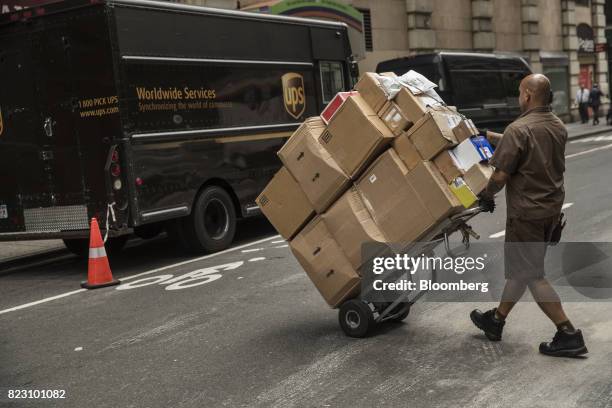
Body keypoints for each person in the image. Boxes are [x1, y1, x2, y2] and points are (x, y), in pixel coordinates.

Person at [473, 74, 588, 357]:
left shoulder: (519, 129)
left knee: (533, 274)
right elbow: (529, 145)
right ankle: (496, 320)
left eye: (518, 93)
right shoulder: (558, 126)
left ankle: (568, 333)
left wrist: (486, 196)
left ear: (527, 94)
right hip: (550, 212)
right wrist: (489, 136)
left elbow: (500, 174)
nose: (517, 98)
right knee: (521, 270)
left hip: (526, 214)